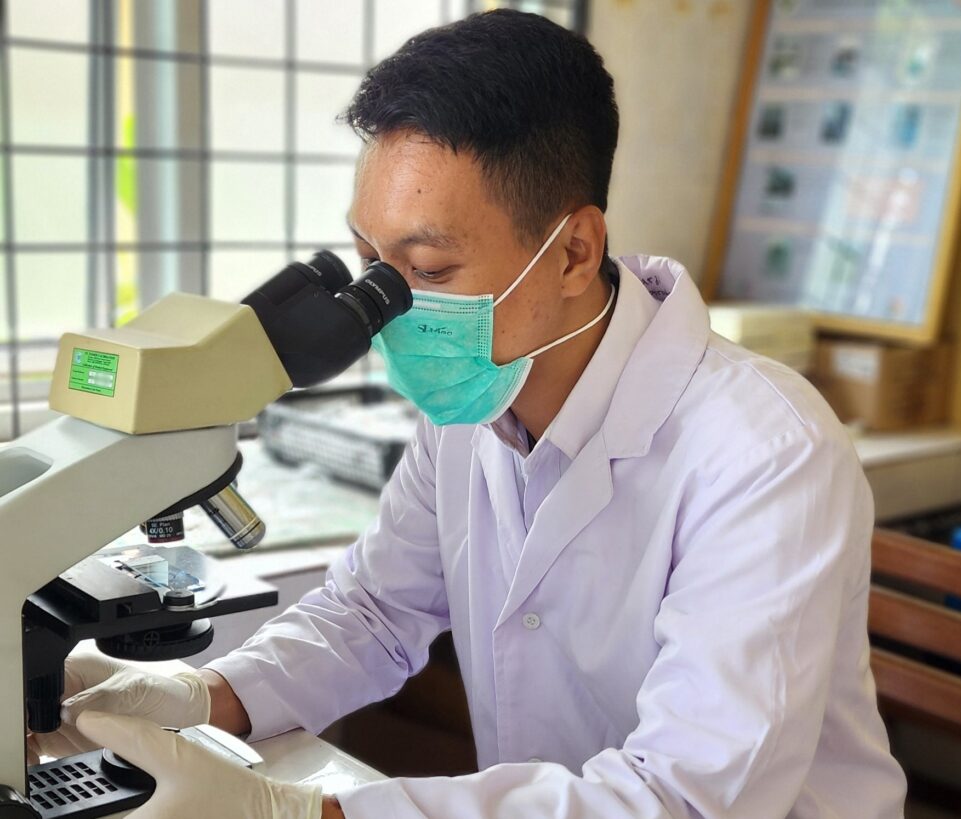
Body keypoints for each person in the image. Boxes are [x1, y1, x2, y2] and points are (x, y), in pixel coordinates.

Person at [34, 10, 907, 818]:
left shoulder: (764, 455)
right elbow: (375, 610)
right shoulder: (474, 398)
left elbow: (682, 795)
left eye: (430, 268)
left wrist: (311, 812)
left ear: (573, 251)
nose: (390, 306)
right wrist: (205, 694)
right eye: (370, 259)